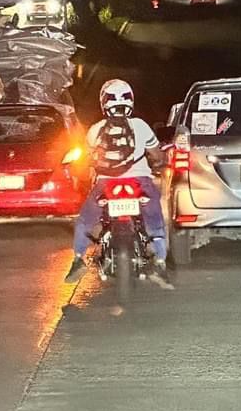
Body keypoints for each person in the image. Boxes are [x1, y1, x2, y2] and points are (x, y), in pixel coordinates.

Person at [64, 79, 173, 289]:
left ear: (104, 102)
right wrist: (160, 161)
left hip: (106, 183)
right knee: (155, 221)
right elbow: (157, 155)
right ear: (130, 101)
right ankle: (159, 263)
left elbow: (85, 160)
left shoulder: (95, 130)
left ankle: (78, 260)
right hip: (140, 181)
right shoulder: (140, 126)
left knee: (85, 221)